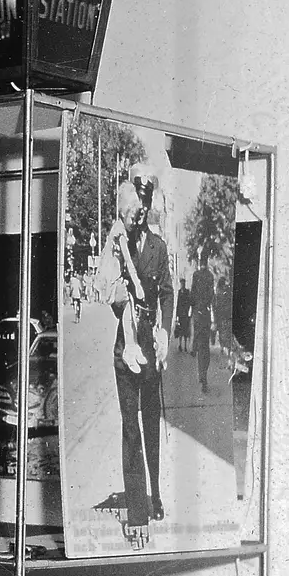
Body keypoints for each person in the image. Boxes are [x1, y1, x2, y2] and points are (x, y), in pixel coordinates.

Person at [105, 169, 172, 536]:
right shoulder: (119, 240)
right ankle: (137, 513)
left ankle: (155, 494)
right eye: (138, 202)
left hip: (150, 343)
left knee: (151, 425)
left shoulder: (158, 247)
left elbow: (167, 293)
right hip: (126, 345)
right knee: (130, 427)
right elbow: (109, 286)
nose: (142, 209)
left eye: (147, 202)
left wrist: (165, 332)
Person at [190, 251, 215, 394]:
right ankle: (204, 374)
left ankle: (202, 375)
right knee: (205, 346)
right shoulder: (210, 276)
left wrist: (194, 307)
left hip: (198, 314)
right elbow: (211, 295)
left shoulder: (196, 275)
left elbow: (192, 294)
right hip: (206, 313)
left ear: (200, 262)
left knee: (200, 344)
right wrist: (206, 305)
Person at [174, 277, 192, 352]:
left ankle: (185, 346)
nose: (182, 284)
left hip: (186, 314)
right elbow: (178, 304)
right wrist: (176, 316)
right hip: (181, 314)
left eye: (183, 283)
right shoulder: (179, 292)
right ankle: (180, 345)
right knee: (180, 330)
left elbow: (189, 302)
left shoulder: (187, 292)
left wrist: (188, 312)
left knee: (185, 331)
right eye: (181, 283)